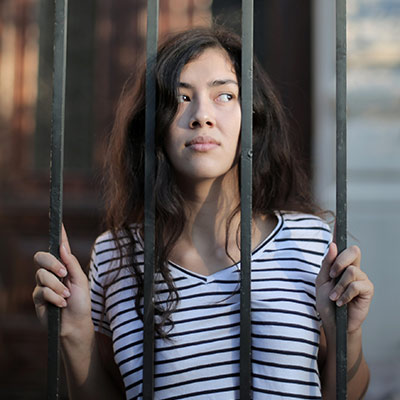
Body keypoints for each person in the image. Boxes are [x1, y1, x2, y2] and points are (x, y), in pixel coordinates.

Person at [32, 27, 374, 399]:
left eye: (224, 95)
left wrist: (347, 334)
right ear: (154, 123)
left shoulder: (309, 243)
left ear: (251, 117)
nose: (202, 116)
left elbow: (348, 392)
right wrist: (75, 336)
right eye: (181, 98)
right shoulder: (117, 255)